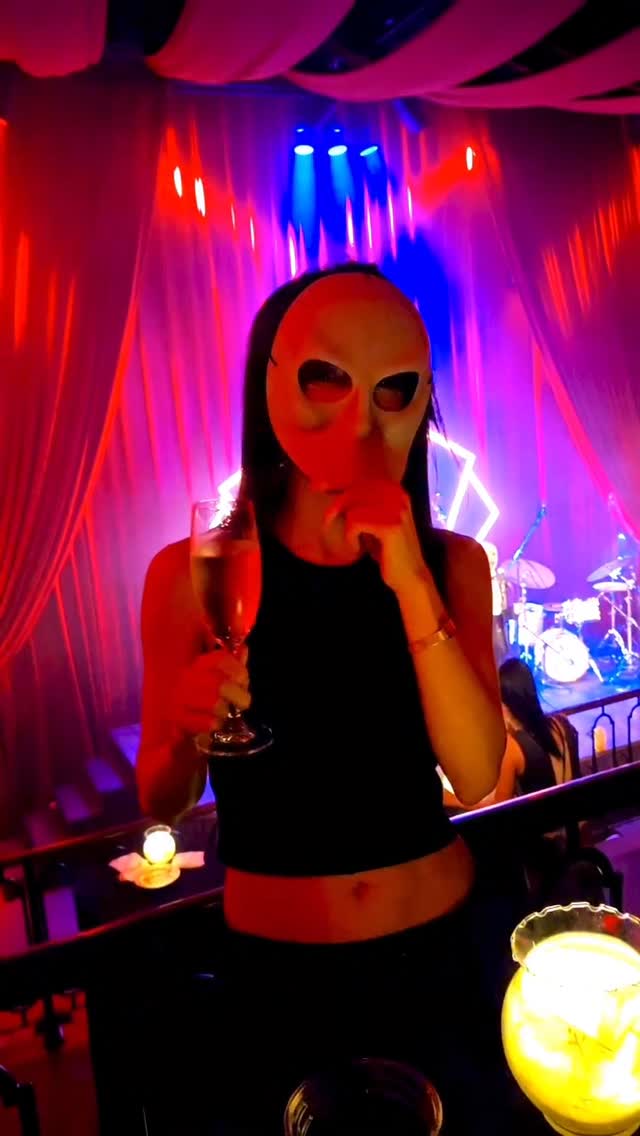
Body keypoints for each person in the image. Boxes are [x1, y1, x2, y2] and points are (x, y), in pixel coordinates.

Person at [137, 265, 508, 1134]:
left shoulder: (453, 565)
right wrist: (188, 728)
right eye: (326, 377)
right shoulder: (195, 574)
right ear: (275, 382)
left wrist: (410, 579)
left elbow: (476, 771)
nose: (358, 415)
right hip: (277, 976)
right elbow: (161, 796)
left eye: (390, 388)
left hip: (439, 950)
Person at [498, 657, 577, 796]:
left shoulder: (513, 748)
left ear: (505, 704)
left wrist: (456, 801)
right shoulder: (561, 723)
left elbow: (499, 805)